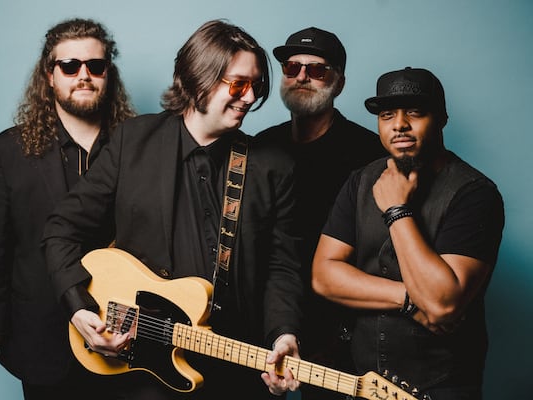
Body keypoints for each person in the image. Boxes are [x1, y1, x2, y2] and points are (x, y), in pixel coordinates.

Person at [42, 20, 303, 400]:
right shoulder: (133, 141)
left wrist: (283, 334)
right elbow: (61, 230)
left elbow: (282, 267)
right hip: (146, 368)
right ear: (199, 80)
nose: (249, 98)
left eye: (256, 86)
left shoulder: (272, 166)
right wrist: (79, 308)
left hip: (237, 366)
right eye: (238, 84)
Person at [0, 18, 135, 400]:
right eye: (70, 66)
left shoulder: (138, 147)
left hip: (123, 330)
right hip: (41, 331)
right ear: (49, 75)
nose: (84, 75)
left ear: (108, 74)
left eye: (95, 65)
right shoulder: (5, 152)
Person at [312, 67, 504, 400]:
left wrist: (397, 210)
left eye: (414, 112)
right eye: (387, 115)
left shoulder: (475, 194)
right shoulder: (361, 181)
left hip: (440, 387)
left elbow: (442, 304)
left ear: (441, 119)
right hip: (364, 382)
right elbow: (324, 276)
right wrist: (409, 300)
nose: (399, 124)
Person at [256, 27, 385, 399]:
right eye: (292, 67)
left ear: (338, 83)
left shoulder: (370, 156)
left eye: (316, 70)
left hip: (342, 331)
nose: (302, 77)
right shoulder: (261, 148)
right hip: (270, 318)